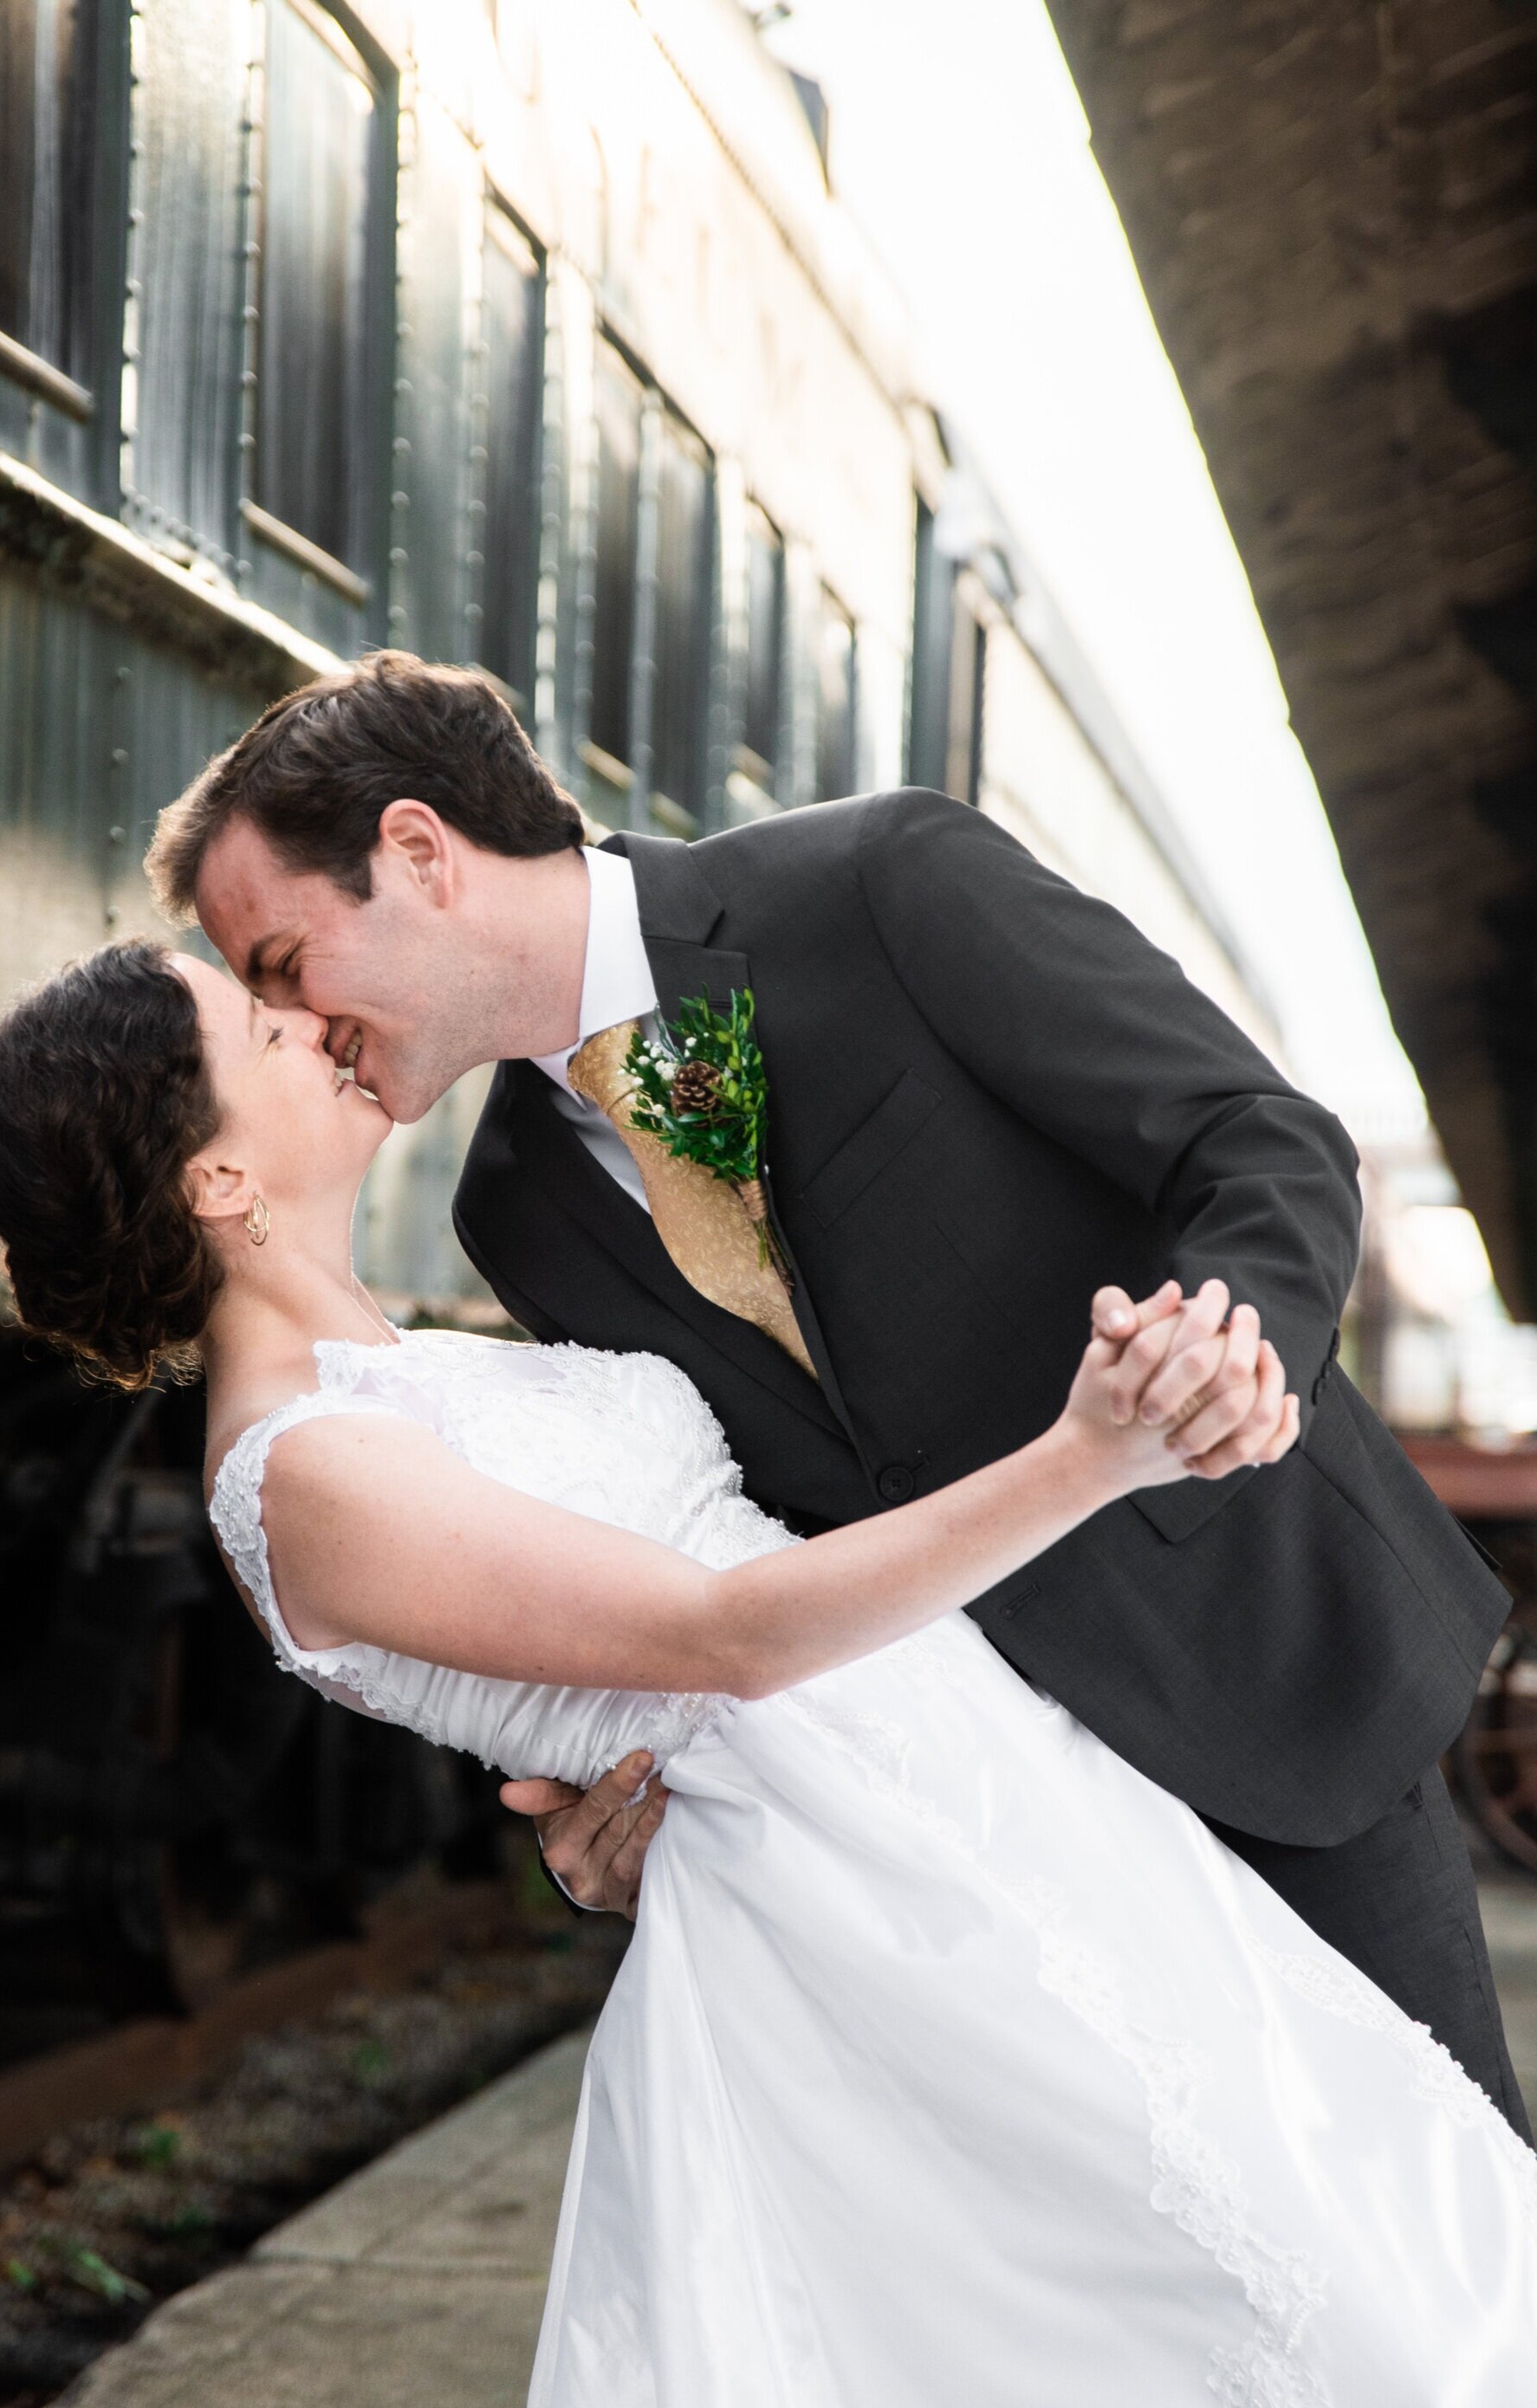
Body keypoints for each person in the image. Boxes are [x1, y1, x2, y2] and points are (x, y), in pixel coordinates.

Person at [0, 937, 1537, 2408]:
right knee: (1303, 2305)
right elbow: (722, 1636)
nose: (309, 1018)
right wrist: (1089, 1457)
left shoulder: (393, 1371)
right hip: (869, 1879)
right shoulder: (298, 1475)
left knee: (1354, 2237)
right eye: (262, 1029)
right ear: (219, 1178)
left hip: (958, 1787)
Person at [146, 650, 1526, 2144]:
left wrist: (1228, 1344)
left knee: (1437, 2263)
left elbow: (1260, 1140)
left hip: (1256, 1671)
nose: (295, 1023)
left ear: (418, 854)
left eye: (285, 964)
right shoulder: (514, 1209)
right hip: (972, 1847)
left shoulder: (879, 880)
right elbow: (738, 1525)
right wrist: (625, 1810)